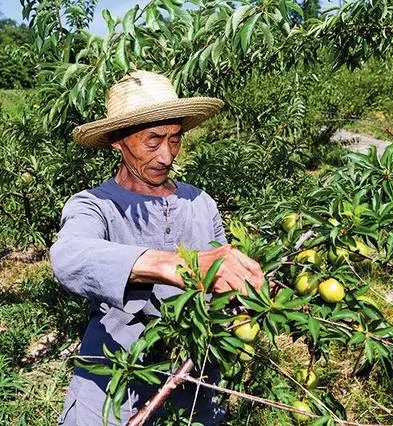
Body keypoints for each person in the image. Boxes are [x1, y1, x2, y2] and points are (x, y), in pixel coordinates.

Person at [50, 70, 265, 425]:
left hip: (195, 374)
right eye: (152, 141)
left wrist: (246, 293)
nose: (167, 156)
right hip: (115, 370)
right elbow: (69, 257)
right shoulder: (94, 205)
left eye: (175, 140)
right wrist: (171, 265)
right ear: (118, 141)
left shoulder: (199, 203)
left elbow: (223, 289)